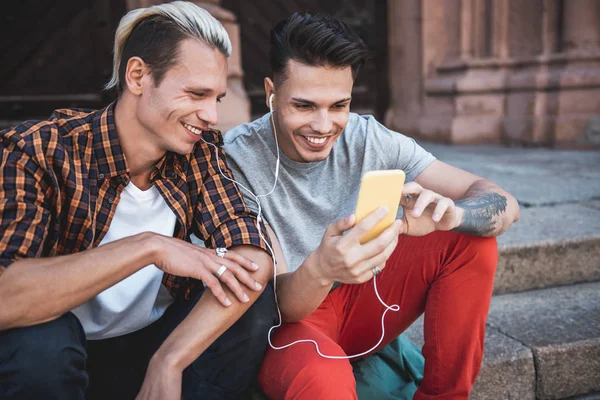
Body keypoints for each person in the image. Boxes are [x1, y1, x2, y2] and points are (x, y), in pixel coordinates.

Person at [223, 12, 520, 400]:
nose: (323, 125)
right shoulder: (236, 159)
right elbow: (280, 306)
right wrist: (322, 267)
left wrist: (455, 214)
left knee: (470, 239)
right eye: (304, 106)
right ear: (271, 93)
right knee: (323, 383)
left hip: (365, 298)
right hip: (290, 320)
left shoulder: (368, 136)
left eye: (339, 105)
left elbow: (504, 203)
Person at [0, 2, 277, 399]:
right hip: (57, 357)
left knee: (250, 298)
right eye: (196, 94)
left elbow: (255, 259)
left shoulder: (196, 153)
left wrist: (170, 360)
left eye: (216, 98)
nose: (211, 115)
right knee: (39, 347)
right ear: (137, 76)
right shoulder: (39, 150)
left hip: (148, 351)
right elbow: (6, 297)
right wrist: (149, 247)